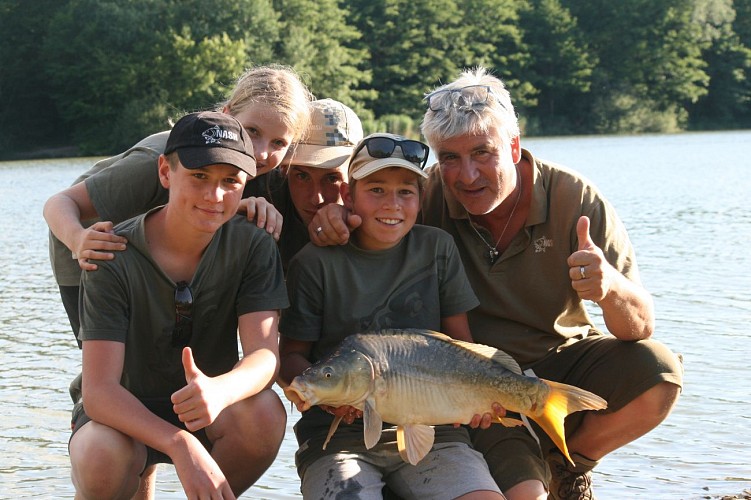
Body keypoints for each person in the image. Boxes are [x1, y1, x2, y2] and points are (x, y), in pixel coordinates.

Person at [309, 68, 684, 500]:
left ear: (514, 146)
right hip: (464, 375)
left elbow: (638, 326)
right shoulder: (424, 198)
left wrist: (610, 288)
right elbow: (370, 229)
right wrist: (335, 217)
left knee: (657, 370)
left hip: (560, 356)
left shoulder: (574, 197)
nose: (467, 175)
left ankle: (568, 464)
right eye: (449, 158)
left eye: (483, 153)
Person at [68, 111, 289, 499]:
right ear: (166, 173)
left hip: (206, 406)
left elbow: (264, 356)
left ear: (246, 185)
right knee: (100, 454)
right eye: (199, 177)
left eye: (230, 181)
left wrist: (221, 391)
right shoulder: (110, 253)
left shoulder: (254, 245)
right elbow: (100, 392)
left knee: (265, 415)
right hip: (119, 415)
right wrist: (179, 443)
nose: (214, 196)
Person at [278, 133, 505, 500]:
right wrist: (313, 392)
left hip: (439, 432)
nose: (392, 204)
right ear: (349, 196)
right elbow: (289, 357)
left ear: (421, 199)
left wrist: (479, 400)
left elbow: (464, 348)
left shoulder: (437, 248)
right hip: (339, 440)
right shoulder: (313, 263)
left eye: (406, 192)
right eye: (377, 190)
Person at [44, 63, 312, 349]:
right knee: (116, 358)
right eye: (252, 131)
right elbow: (60, 202)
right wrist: (78, 239)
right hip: (89, 243)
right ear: (228, 113)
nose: (260, 152)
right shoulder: (161, 159)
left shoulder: (268, 174)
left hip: (172, 246)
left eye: (278, 142)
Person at [251, 98, 363, 272]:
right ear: (283, 169)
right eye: (302, 176)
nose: (316, 197)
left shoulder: (374, 210)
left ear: (355, 173)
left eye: (332, 178)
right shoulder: (255, 187)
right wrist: (233, 213)